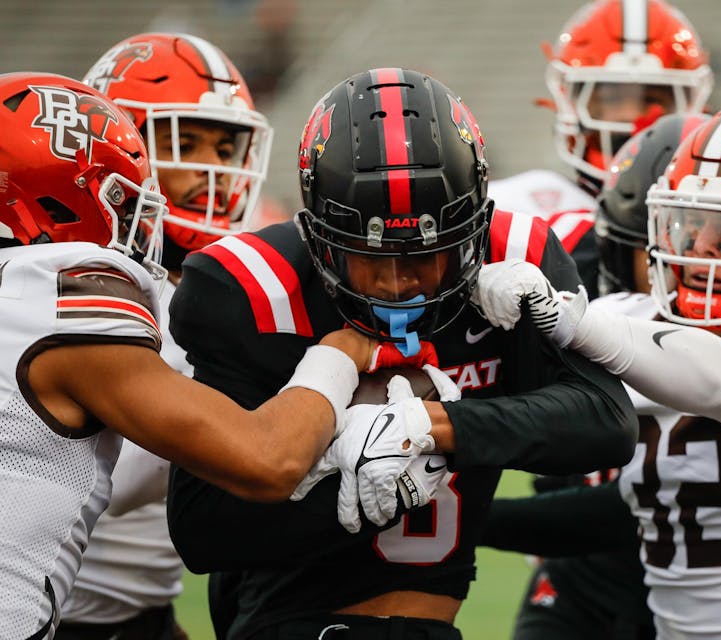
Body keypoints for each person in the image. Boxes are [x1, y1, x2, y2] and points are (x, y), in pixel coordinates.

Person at [165, 67, 638, 640]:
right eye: (370, 257)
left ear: (472, 233)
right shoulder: (253, 290)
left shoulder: (517, 261)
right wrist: (348, 479)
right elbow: (202, 532)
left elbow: (605, 422)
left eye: (423, 255)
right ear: (318, 239)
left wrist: (432, 427)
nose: (397, 283)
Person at [0, 71, 385, 640]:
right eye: (124, 203)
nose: (138, 226)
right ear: (55, 197)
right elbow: (266, 459)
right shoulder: (55, 289)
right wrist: (342, 352)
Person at [479, 103, 721, 639]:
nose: (700, 250)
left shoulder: (629, 334)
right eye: (691, 223)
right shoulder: (632, 322)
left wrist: (572, 323)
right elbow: (633, 507)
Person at [52, 32, 276, 640]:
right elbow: (107, 483)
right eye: (186, 141)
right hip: (50, 617)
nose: (215, 166)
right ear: (119, 147)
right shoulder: (81, 276)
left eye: (227, 146)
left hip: (142, 616)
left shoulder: (218, 283)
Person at [488, 0, 713, 296]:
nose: (630, 117)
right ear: (572, 100)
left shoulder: (712, 217)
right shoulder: (514, 205)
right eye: (611, 98)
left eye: (652, 99)